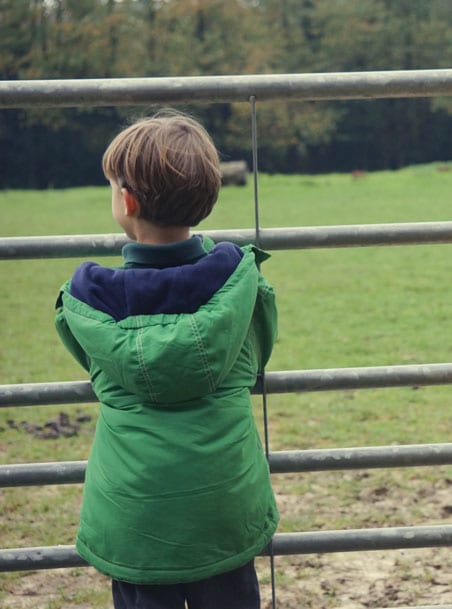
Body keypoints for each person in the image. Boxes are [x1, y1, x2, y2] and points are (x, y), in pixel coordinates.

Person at [55, 109, 279, 609]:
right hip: (224, 512)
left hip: (135, 520)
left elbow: (87, 357)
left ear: (127, 200)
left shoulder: (87, 304)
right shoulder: (241, 285)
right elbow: (259, 349)